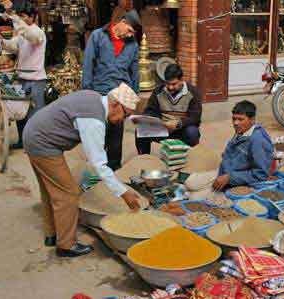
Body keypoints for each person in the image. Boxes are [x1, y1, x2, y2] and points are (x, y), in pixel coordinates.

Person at [23, 83, 149, 258]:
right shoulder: (93, 120)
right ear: (115, 104)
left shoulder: (95, 98)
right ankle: (66, 245)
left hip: (34, 133)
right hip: (42, 142)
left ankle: (52, 235)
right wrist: (123, 192)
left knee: (51, 190)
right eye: (125, 114)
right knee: (69, 193)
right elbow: (99, 164)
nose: (123, 120)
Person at [81, 9, 140, 171]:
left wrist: (133, 98)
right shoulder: (98, 36)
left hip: (120, 95)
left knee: (116, 134)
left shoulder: (133, 45)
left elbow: (135, 72)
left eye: (132, 33)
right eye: (129, 30)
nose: (130, 35)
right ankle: (96, 171)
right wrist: (86, 93)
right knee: (98, 134)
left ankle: (115, 169)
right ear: (122, 22)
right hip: (99, 92)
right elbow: (88, 64)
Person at [0, 0, 47, 149]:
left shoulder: (37, 33)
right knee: (20, 114)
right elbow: (13, 46)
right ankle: (22, 141)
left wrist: (13, 16)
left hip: (36, 80)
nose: (23, 19)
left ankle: (35, 145)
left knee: (35, 115)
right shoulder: (22, 34)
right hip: (21, 78)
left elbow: (28, 34)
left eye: (25, 16)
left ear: (33, 17)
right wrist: (0, 41)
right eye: (21, 16)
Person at [135, 64, 202, 154]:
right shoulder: (158, 91)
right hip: (162, 129)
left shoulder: (193, 92)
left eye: (174, 84)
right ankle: (145, 158)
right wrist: (150, 119)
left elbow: (195, 117)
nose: (170, 87)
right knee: (141, 130)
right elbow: (150, 110)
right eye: (167, 84)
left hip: (182, 130)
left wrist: (178, 123)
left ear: (182, 80)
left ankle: (189, 158)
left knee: (192, 132)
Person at [213, 100, 273, 191]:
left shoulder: (257, 140)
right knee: (191, 183)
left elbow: (261, 174)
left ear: (252, 120)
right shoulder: (241, 131)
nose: (235, 123)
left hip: (238, 183)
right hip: (224, 174)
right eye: (234, 119)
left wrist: (230, 178)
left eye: (240, 119)